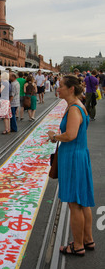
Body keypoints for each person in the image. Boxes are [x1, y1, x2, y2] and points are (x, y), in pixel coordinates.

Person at [47, 75, 95, 257]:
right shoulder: (77, 106)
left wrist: (54, 136)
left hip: (73, 157)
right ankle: (88, 239)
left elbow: (70, 135)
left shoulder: (74, 108)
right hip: (79, 155)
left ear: (71, 89)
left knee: (74, 204)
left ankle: (78, 245)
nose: (57, 89)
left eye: (60, 86)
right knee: (83, 202)